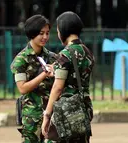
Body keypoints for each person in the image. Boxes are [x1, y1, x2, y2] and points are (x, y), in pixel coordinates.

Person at [41, 11, 95, 143]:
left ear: (64, 30)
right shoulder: (87, 52)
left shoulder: (65, 54)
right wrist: (57, 70)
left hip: (66, 112)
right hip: (84, 108)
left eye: (58, 30)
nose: (58, 34)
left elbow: (57, 88)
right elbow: (78, 75)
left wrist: (47, 115)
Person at [10, 15, 57, 143]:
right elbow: (22, 88)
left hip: (52, 116)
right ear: (32, 33)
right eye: (41, 33)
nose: (45, 37)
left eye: (47, 33)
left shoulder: (53, 58)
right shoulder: (21, 60)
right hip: (32, 118)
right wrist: (44, 74)